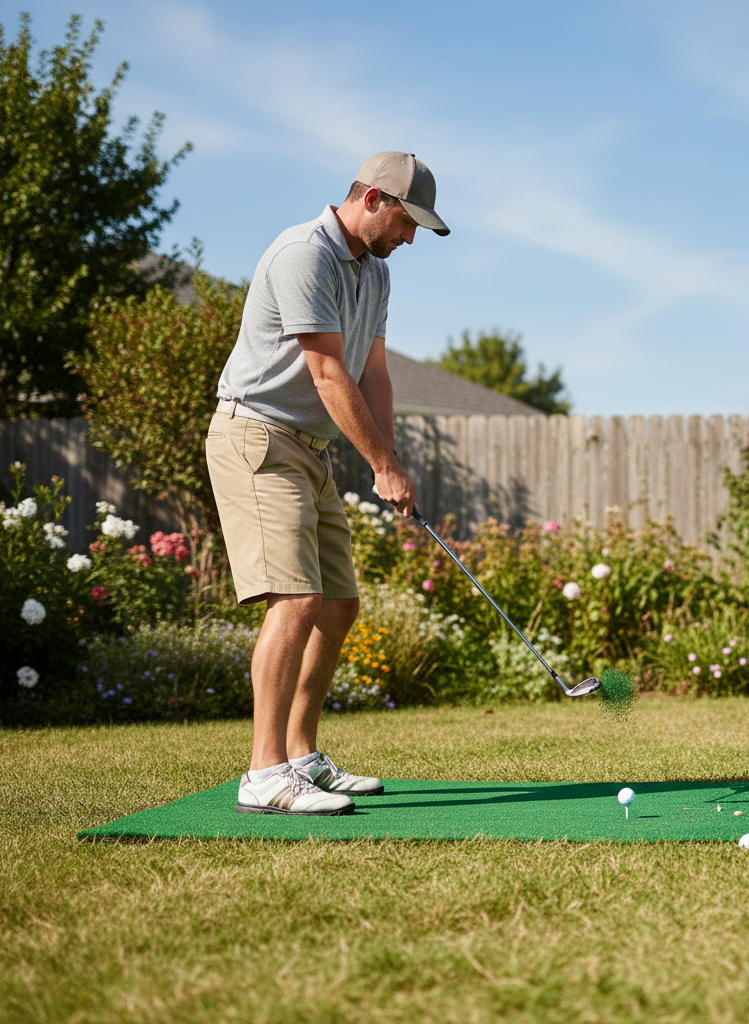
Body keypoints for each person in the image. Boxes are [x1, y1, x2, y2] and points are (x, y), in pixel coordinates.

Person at [206, 152, 449, 815]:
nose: (411, 238)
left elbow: (374, 375)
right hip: (256, 436)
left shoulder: (376, 276)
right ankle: (263, 773)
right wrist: (380, 467)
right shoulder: (301, 253)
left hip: (307, 448)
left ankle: (303, 756)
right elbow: (325, 373)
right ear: (373, 198)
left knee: (339, 603)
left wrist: (389, 458)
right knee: (296, 599)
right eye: (407, 222)